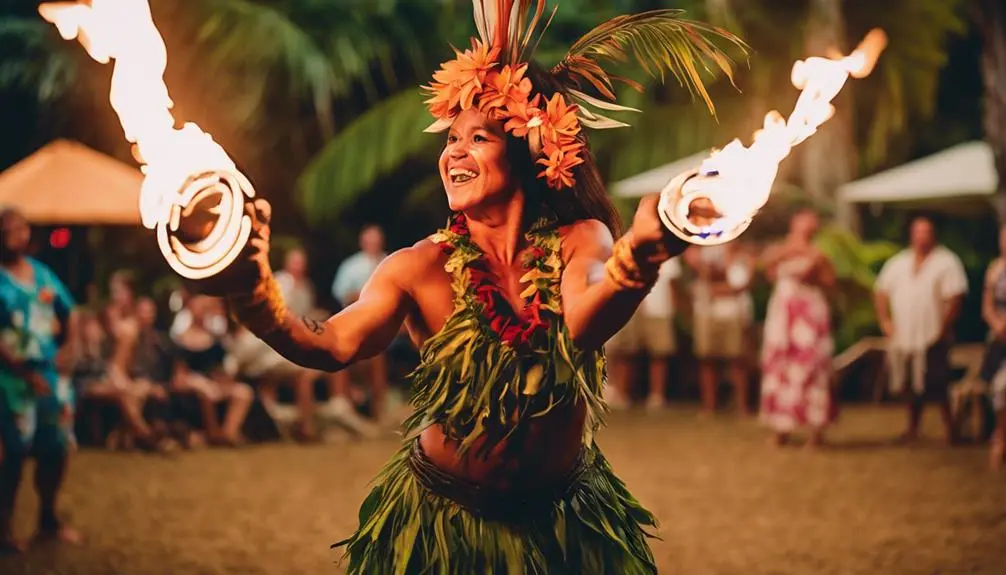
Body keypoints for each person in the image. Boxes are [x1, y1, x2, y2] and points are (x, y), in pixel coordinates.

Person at [194, 6, 740, 572]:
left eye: (477, 137)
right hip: (444, 525)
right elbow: (330, 345)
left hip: (563, 523)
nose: (453, 152)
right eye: (450, 139)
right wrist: (254, 293)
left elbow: (580, 322)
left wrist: (640, 260)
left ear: (531, 151)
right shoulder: (417, 267)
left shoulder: (582, 239)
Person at [0, 207, 81, 552]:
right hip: (12, 381)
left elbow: (70, 310)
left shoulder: (41, 273)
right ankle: (3, 530)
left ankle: (48, 519)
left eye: (24, 228)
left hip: (50, 376)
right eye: (12, 229)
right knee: (14, 455)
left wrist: (70, 348)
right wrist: (23, 371)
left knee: (55, 449)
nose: (20, 234)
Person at [874, 216, 968, 445]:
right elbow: (880, 291)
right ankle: (913, 428)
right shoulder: (898, 262)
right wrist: (885, 321)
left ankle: (950, 429)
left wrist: (944, 328)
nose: (922, 237)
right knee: (911, 385)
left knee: (938, 382)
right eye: (918, 232)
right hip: (905, 335)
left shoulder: (946, 262)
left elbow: (955, 298)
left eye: (926, 232)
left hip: (933, 334)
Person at [759, 210, 837, 448]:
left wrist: (814, 262)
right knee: (780, 368)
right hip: (783, 313)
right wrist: (788, 252)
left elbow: (830, 281)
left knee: (810, 368)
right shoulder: (780, 249)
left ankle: (815, 431)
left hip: (808, 314)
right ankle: (781, 429)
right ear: (794, 223)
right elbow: (766, 268)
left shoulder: (819, 254)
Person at [72, 311, 175, 453]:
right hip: (85, 387)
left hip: (105, 384)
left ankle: (128, 437)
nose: (96, 330)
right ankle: (146, 436)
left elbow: (113, 372)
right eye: (92, 327)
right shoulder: (78, 349)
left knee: (132, 393)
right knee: (126, 394)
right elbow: (85, 375)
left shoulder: (101, 349)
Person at [172, 295, 254, 447]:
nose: (203, 311)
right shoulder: (180, 340)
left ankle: (229, 433)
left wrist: (223, 380)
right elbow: (178, 376)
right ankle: (213, 434)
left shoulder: (214, 340)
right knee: (207, 391)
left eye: (205, 308)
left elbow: (220, 370)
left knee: (243, 392)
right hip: (193, 385)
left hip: (213, 383)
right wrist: (198, 381)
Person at [684, 242, 755, 416]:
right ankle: (709, 405)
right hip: (708, 311)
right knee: (707, 359)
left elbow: (741, 284)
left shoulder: (743, 256)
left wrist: (717, 280)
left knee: (738, 360)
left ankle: (741, 406)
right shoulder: (706, 250)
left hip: (734, 313)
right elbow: (703, 271)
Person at [331, 225, 390, 422]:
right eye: (369, 241)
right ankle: (344, 406)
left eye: (376, 241)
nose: (373, 244)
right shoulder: (351, 266)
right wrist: (367, 296)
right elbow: (341, 294)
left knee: (378, 355)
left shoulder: (389, 261)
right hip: (356, 320)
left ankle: (378, 409)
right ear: (363, 243)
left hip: (388, 325)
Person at [605, 257, 682, 410]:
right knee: (625, 351)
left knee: (658, 353)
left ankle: (656, 396)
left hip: (659, 308)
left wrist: (673, 311)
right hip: (631, 308)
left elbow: (673, 286)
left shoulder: (668, 256)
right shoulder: (630, 250)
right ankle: (621, 394)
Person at [980, 226, 1006, 468]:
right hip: (1000, 339)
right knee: (998, 387)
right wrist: (997, 324)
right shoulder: (995, 269)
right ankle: (1000, 436)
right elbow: (987, 305)